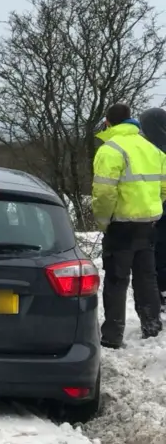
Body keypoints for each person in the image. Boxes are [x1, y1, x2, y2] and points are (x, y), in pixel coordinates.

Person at [92, 103, 164, 348]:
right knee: (147, 278)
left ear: (108, 122)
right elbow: (164, 187)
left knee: (116, 279)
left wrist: (103, 221)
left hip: (120, 225)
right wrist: (152, 208)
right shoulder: (151, 148)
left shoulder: (110, 149)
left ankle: (112, 336)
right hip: (148, 224)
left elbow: (103, 192)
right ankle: (152, 327)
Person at [138, 107, 166, 315]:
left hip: (157, 209)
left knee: (158, 252)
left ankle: (160, 292)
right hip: (158, 207)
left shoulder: (152, 148)